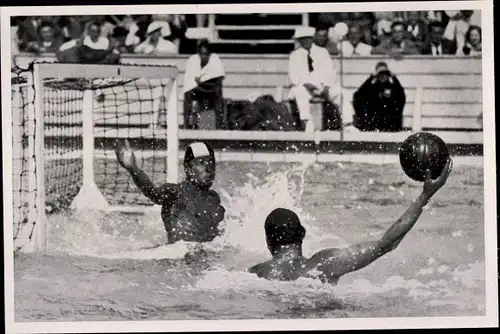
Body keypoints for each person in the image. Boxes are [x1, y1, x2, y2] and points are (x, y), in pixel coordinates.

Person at [249, 158, 453, 283]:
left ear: (268, 241)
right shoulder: (325, 263)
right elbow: (388, 243)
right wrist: (425, 195)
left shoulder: (257, 273)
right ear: (302, 233)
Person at [115, 140, 225, 244]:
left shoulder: (213, 198)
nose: (208, 168)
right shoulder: (176, 192)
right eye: (201, 163)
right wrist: (133, 168)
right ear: (188, 169)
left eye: (211, 163)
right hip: (179, 259)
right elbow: (152, 192)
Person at [288, 27, 354, 132]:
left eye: (308, 38)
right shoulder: (294, 55)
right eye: (302, 39)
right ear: (299, 40)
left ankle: (348, 124)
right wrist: (310, 87)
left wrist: (326, 87)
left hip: (323, 87)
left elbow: (331, 72)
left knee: (341, 92)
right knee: (299, 92)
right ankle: (307, 122)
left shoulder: (322, 52)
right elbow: (294, 77)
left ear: (312, 38)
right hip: (305, 88)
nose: (305, 41)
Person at [183, 39, 226, 129]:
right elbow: (190, 82)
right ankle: (186, 125)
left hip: (211, 89)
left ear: (209, 54)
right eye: (202, 54)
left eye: (206, 54)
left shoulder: (215, 59)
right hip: (198, 90)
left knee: (218, 94)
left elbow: (219, 79)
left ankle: (220, 127)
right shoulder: (193, 60)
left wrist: (205, 83)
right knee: (188, 94)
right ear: (198, 54)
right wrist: (200, 83)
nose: (204, 56)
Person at [352, 61, 406, 132]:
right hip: (374, 124)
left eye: (385, 73)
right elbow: (358, 95)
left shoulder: (393, 87)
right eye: (380, 74)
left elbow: (401, 97)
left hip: (390, 125)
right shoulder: (372, 87)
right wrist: (371, 77)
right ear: (377, 75)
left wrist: (395, 78)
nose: (383, 76)